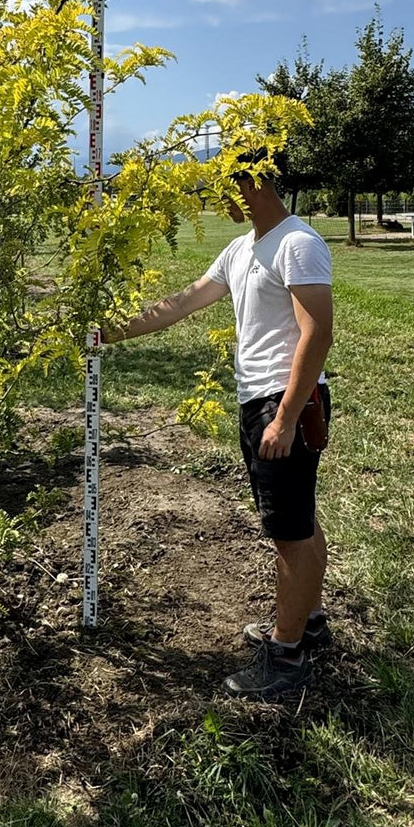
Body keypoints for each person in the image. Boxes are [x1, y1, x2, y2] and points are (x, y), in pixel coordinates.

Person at [103, 167, 334, 701]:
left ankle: (286, 655)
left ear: (255, 183)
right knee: (298, 522)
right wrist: (112, 330)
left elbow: (317, 333)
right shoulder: (241, 249)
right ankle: (311, 620)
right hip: (261, 404)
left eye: (227, 189)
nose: (221, 201)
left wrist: (285, 418)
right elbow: (184, 301)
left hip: (283, 405)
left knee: (288, 534)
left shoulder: (297, 244)